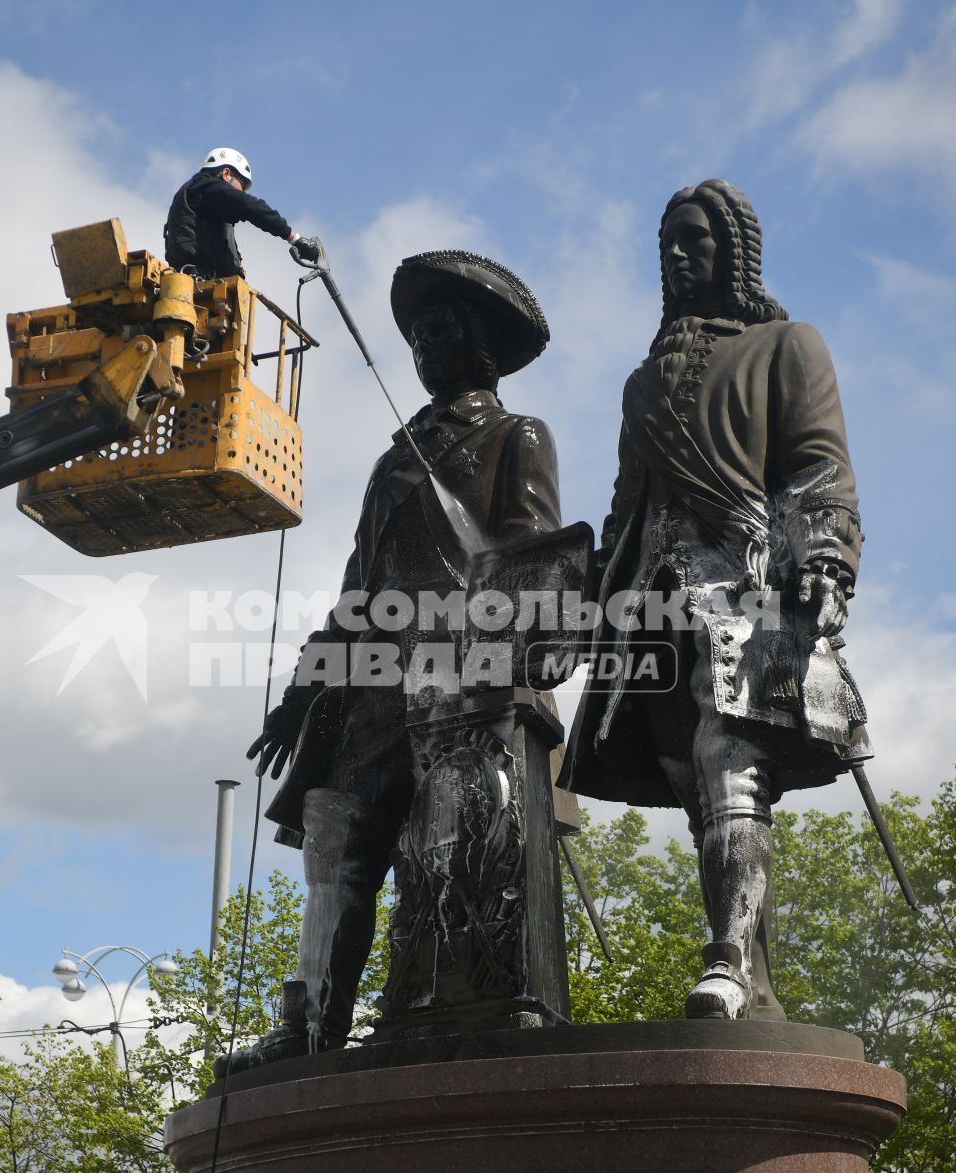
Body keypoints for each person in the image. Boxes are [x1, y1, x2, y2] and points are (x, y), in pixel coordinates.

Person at [219, 250, 560, 1075]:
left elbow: (533, 554)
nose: (426, 349)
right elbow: (354, 589)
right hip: (370, 690)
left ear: (480, 344)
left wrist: (506, 646)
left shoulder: (516, 437)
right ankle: (310, 1027)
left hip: (463, 685)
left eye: (442, 331)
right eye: (417, 338)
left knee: (457, 855)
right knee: (336, 841)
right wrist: (302, 694)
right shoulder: (391, 461)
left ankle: (464, 1007)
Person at [560, 179, 872, 1021]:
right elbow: (628, 505)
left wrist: (826, 560)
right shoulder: (639, 385)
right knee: (697, 787)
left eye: (694, 239)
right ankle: (747, 970)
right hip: (655, 610)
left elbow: (818, 464)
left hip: (745, 590)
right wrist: (591, 602)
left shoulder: (787, 346)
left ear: (732, 251)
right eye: (667, 242)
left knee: (730, 764)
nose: (677, 253)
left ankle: (730, 960)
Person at [162, 147, 320, 279]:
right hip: (199, 282)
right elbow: (249, 205)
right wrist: (294, 238)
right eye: (241, 186)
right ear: (226, 174)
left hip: (206, 283)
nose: (241, 192)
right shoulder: (204, 187)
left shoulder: (205, 201)